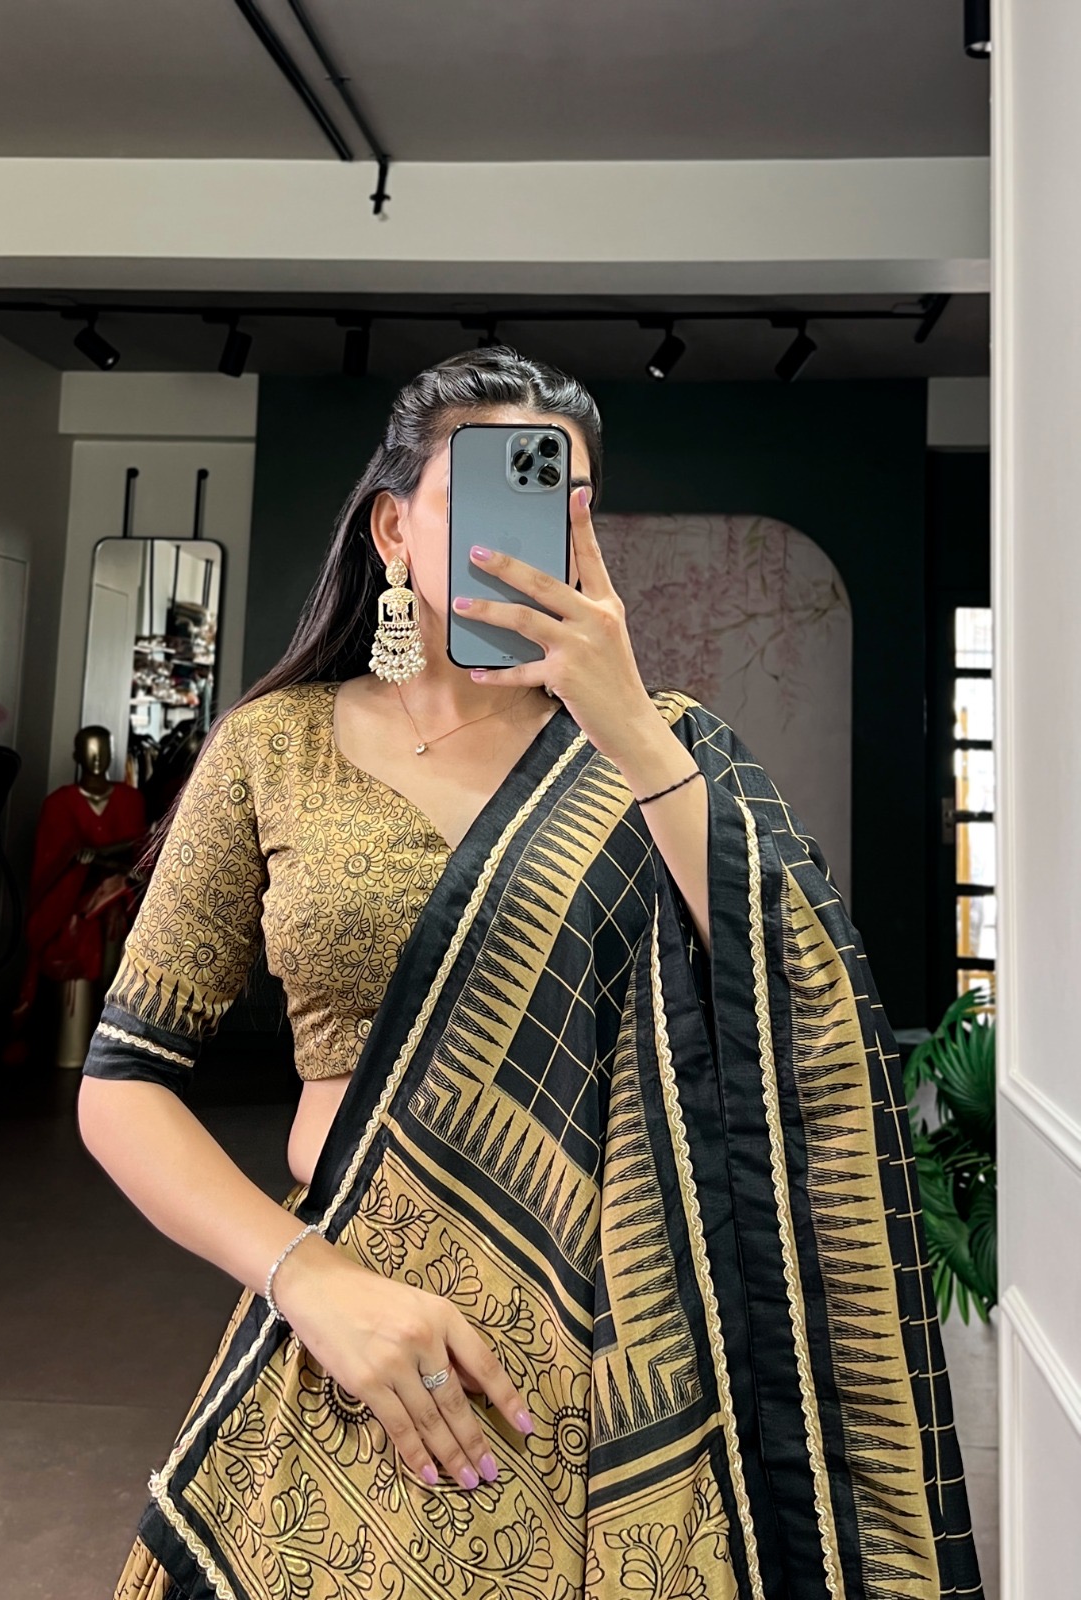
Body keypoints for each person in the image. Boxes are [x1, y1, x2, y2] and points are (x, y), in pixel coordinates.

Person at [78, 348, 984, 1600]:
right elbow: (123, 1080)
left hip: (626, 1351)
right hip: (361, 1318)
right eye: (491, 495)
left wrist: (630, 724)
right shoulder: (271, 748)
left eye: (567, 502)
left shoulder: (664, 747)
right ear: (394, 528)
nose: (531, 535)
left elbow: (799, 1000)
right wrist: (311, 1282)